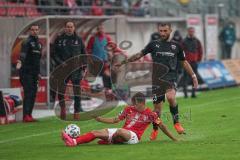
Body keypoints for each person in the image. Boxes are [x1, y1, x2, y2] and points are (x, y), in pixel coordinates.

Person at [115, 23, 198, 140]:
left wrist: (193, 76)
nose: (162, 33)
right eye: (161, 31)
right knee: (157, 110)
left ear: (170, 31)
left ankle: (176, 123)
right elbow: (139, 55)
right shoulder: (154, 45)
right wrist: (124, 62)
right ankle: (155, 129)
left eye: (165, 31)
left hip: (170, 78)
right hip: (156, 81)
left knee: (170, 97)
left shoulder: (176, 46)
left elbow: (183, 62)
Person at [61, 92, 177, 147]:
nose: (132, 105)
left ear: (141, 103)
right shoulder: (128, 109)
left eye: (134, 103)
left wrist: (174, 139)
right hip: (121, 131)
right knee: (96, 132)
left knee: (119, 132)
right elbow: (115, 120)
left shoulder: (151, 114)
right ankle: (74, 142)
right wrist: (100, 119)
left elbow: (163, 127)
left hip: (133, 137)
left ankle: (110, 140)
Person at [51, 21, 86, 120]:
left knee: (77, 91)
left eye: (71, 26)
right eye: (67, 27)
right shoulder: (59, 39)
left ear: (74, 28)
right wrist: (60, 62)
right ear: (64, 28)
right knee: (61, 91)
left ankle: (76, 112)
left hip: (76, 69)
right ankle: (63, 109)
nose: (69, 28)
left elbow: (84, 53)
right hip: (63, 69)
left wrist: (84, 67)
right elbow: (54, 54)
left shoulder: (78, 40)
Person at [16, 24, 42, 122]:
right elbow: (23, 54)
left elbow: (37, 60)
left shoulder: (39, 44)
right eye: (33, 30)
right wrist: (20, 61)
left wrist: (38, 73)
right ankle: (26, 116)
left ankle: (29, 115)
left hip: (34, 73)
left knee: (33, 93)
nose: (35, 31)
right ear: (29, 31)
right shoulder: (26, 42)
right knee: (28, 93)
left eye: (36, 29)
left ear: (39, 30)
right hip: (26, 72)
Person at [86, 24, 115, 99]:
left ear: (104, 29)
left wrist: (110, 60)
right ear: (97, 30)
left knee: (106, 77)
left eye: (102, 28)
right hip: (95, 62)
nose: (100, 30)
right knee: (96, 78)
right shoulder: (92, 38)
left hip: (105, 62)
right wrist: (90, 60)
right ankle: (96, 95)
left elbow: (111, 50)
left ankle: (108, 94)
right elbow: (88, 50)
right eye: (99, 29)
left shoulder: (107, 38)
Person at [182, 27, 202, 98]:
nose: (191, 32)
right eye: (190, 31)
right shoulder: (184, 41)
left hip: (194, 62)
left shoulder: (197, 41)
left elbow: (200, 51)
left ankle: (193, 93)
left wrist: (198, 59)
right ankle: (185, 94)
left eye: (192, 31)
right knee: (185, 79)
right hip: (186, 63)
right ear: (188, 32)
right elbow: (181, 52)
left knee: (194, 78)